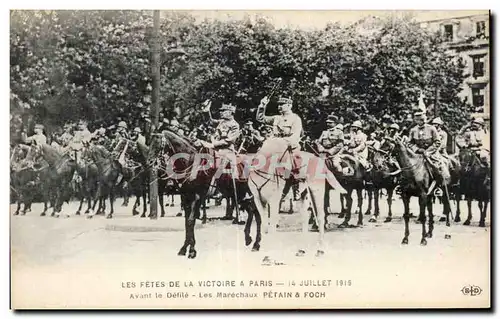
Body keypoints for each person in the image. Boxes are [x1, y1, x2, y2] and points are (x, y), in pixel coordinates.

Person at [407, 111, 449, 192]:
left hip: (431, 154)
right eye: (418, 120)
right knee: (407, 167)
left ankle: (438, 186)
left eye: (421, 120)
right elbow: (409, 143)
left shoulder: (431, 128)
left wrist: (428, 151)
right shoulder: (413, 130)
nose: (420, 122)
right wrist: (417, 149)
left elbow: (437, 142)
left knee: (437, 167)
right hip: (417, 154)